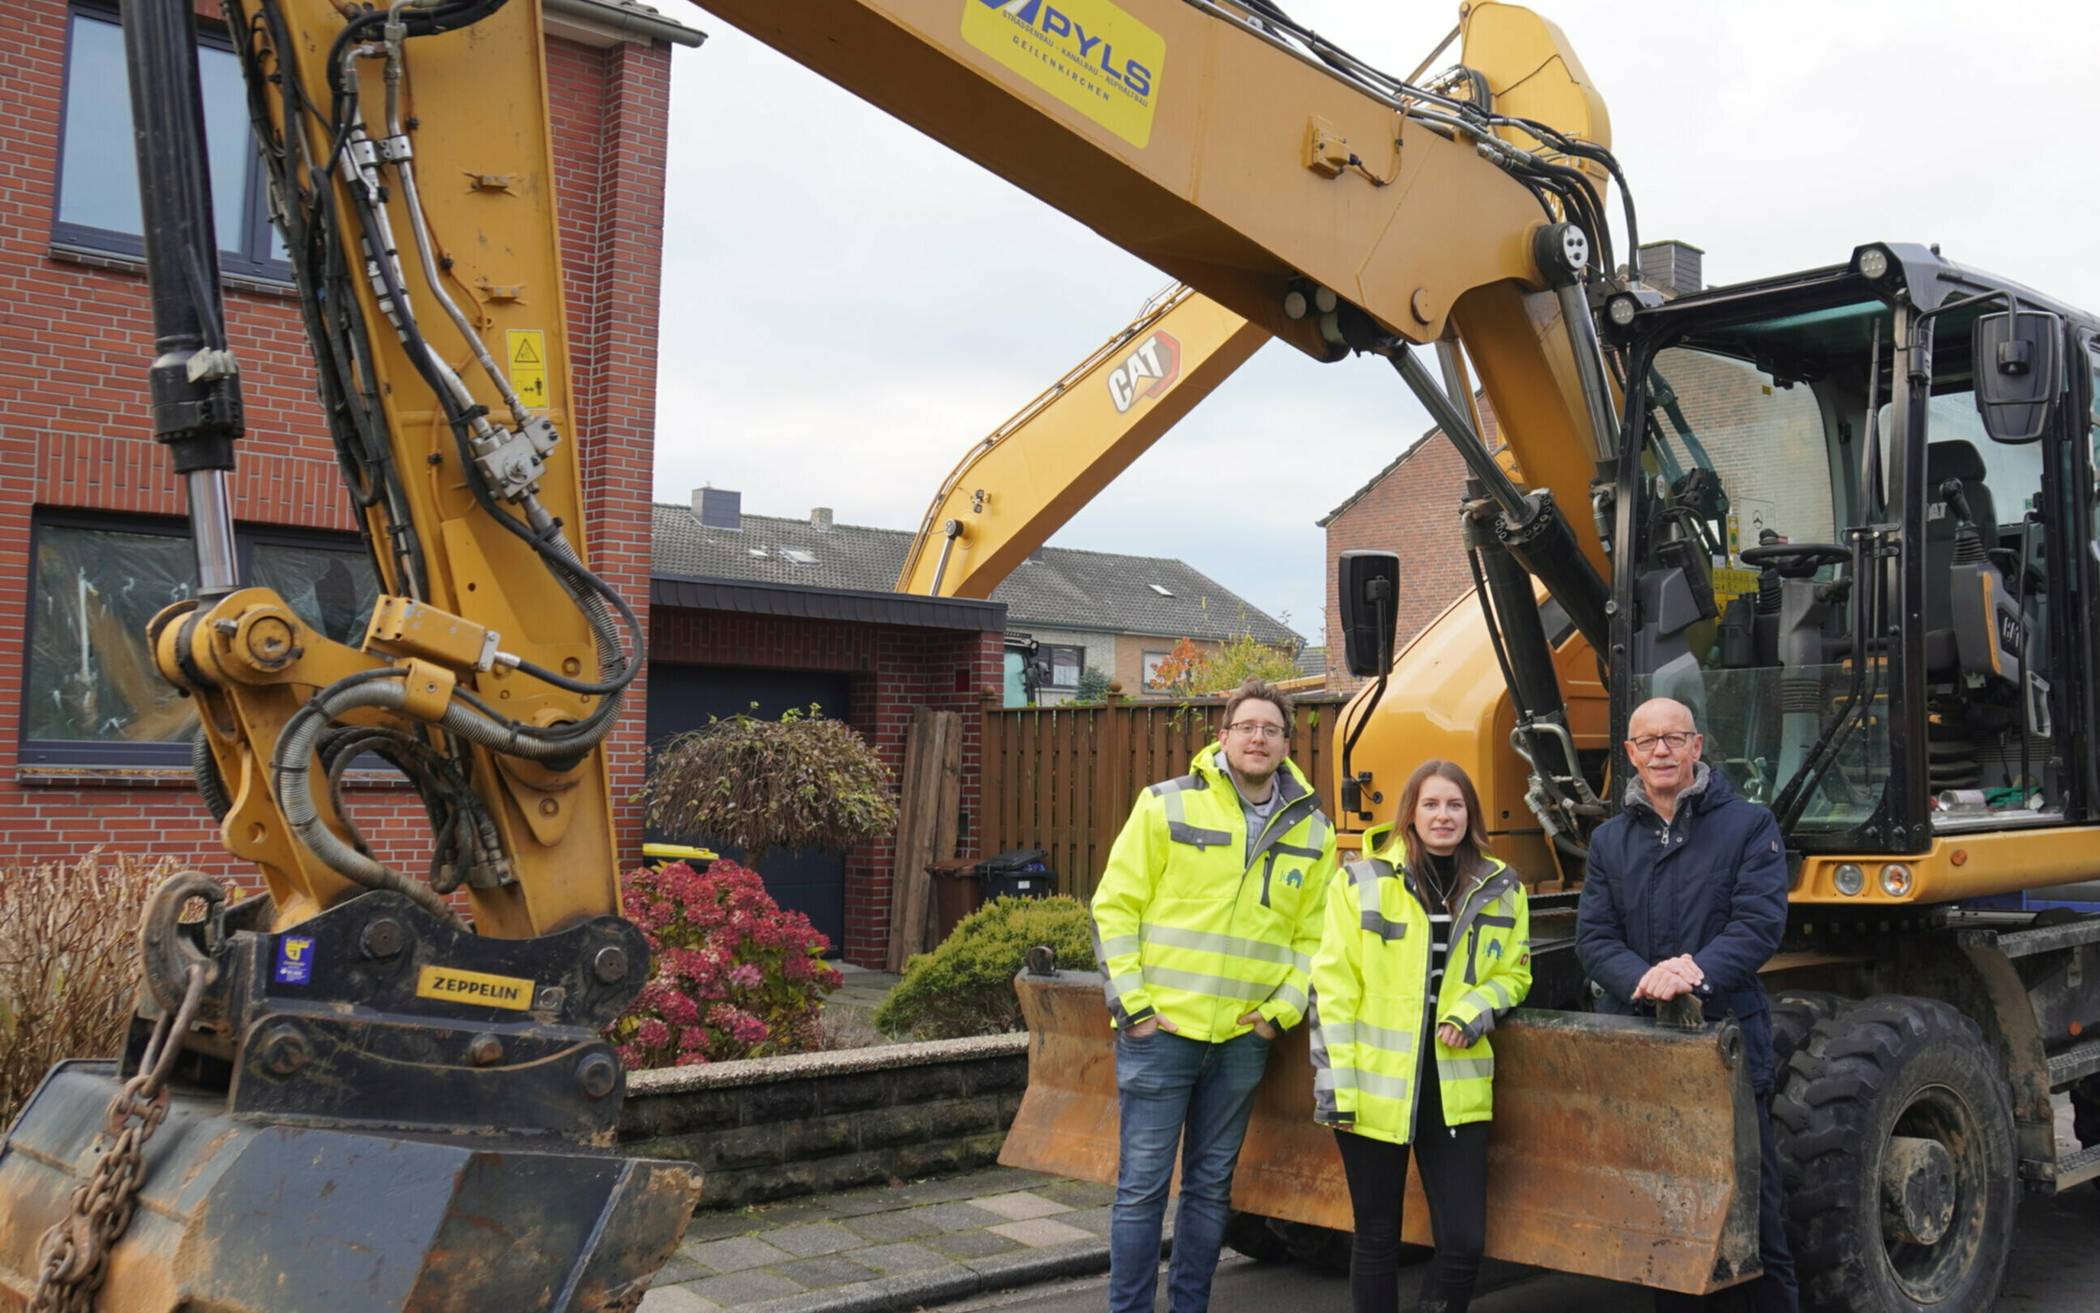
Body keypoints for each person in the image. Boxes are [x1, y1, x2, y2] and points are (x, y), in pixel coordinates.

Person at [1091, 678, 1339, 1313]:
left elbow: (1317, 938)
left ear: (1288, 745)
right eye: (1247, 726)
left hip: (1239, 1043)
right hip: (1161, 1037)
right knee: (1142, 1191)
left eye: (1272, 730)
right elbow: (1114, 909)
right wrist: (1135, 1009)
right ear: (1222, 736)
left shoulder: (1313, 832)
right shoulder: (1165, 805)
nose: (1259, 738)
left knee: (1209, 1192)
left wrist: (1275, 1017)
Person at [1575, 697, 1795, 1313]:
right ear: (1630, 757)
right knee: (1667, 1229)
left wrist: (1692, 970)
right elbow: (1594, 939)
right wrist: (1646, 977)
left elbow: (1758, 924)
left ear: (1698, 746)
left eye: (1673, 738)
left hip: (1726, 1047)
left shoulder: (1749, 826)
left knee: (1755, 1217)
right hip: (1647, 1053)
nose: (1661, 751)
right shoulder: (1609, 842)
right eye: (1647, 743)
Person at [1310, 759, 1532, 1313]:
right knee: (1377, 1237)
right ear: (1410, 813)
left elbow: (1516, 973)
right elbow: (1332, 988)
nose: (1443, 816)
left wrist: (1474, 1008)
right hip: (1374, 1086)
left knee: (1462, 1244)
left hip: (1455, 1086)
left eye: (1455, 805)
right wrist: (1335, 1086)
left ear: (1470, 815)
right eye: (1431, 804)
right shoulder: (1360, 882)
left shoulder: (1500, 887)